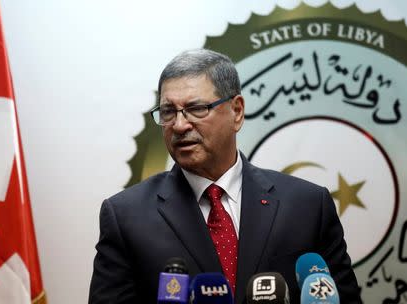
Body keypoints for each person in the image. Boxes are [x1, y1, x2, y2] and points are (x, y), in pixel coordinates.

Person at [88, 49, 362, 303]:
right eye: (168, 112)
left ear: (237, 111)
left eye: (196, 108)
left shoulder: (308, 205)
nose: (180, 125)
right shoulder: (125, 216)